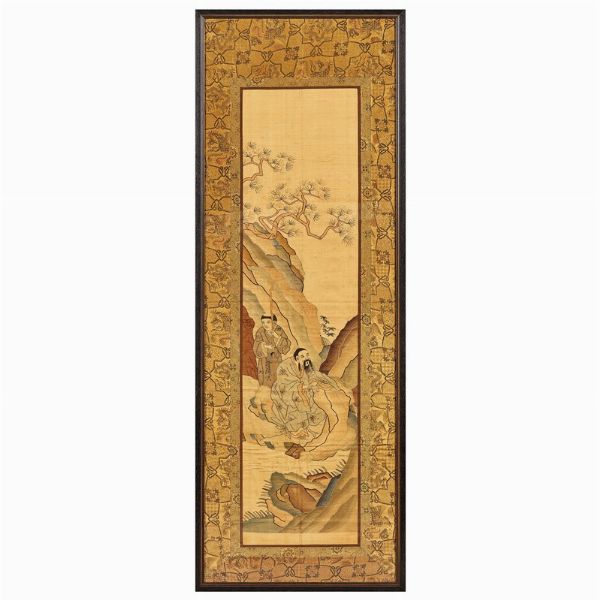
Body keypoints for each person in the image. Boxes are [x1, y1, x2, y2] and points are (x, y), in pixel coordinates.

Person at [252, 315, 291, 387]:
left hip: (276, 358)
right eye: (263, 322)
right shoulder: (260, 331)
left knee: (276, 377)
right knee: (264, 379)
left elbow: (287, 344)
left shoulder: (278, 330)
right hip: (264, 360)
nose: (265, 324)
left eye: (268, 322)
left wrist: (277, 337)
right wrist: (265, 346)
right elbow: (256, 345)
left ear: (274, 322)